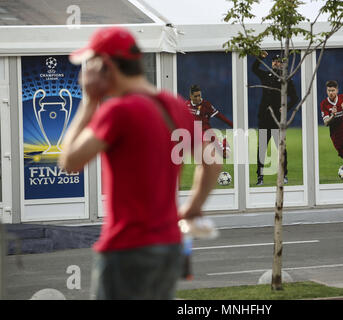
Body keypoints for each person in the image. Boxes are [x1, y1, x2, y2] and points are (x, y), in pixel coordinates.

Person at [58, 26, 221, 300]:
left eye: (91, 63)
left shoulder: (118, 111)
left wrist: (89, 102)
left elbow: (70, 161)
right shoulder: (176, 105)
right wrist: (191, 208)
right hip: (169, 244)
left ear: (105, 65)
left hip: (126, 247)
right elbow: (213, 162)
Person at [252, 51, 299, 186]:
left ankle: (284, 175)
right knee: (262, 148)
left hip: (277, 119)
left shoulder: (286, 79)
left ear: (283, 64)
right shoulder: (266, 75)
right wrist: (259, 57)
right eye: (274, 61)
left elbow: (295, 98)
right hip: (264, 117)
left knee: (281, 148)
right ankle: (260, 177)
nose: (275, 63)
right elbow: (254, 69)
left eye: (278, 61)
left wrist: (286, 107)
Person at [186, 84, 233, 158]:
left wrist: (233, 125)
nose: (198, 98)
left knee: (225, 156)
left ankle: (224, 140)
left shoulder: (206, 105)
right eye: (196, 96)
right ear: (191, 96)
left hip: (207, 132)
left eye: (199, 95)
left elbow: (220, 116)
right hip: (194, 134)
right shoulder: (186, 105)